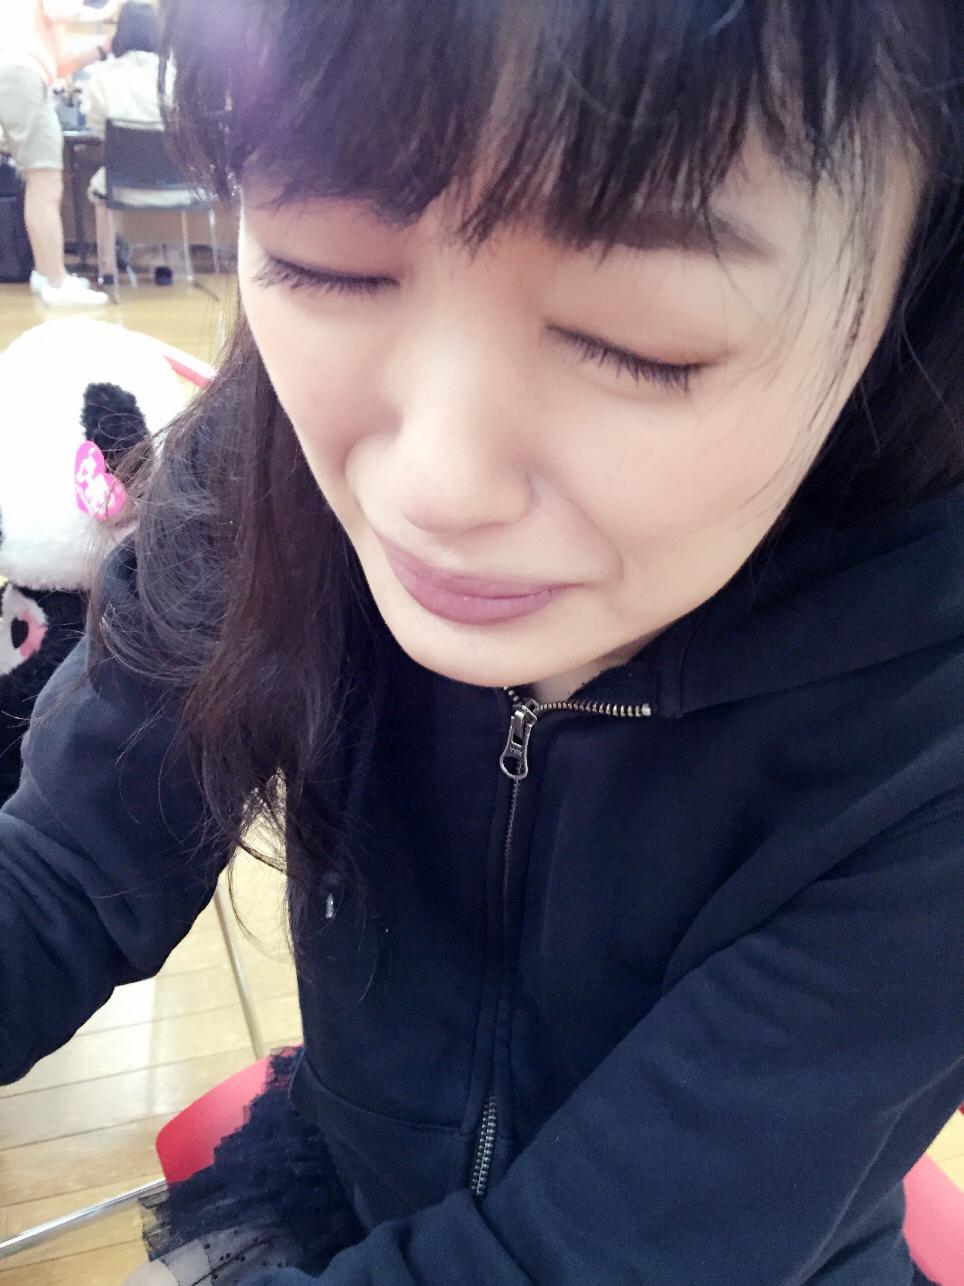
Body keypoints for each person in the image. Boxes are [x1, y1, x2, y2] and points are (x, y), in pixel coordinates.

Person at [1, 1, 962, 1283]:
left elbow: (586, 1257)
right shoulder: (267, 464)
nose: (433, 487)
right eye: (325, 264)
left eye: (638, 341)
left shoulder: (930, 734)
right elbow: (60, 874)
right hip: (352, 1179)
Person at [0, 0, 119, 306]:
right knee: (44, 181)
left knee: (39, 181)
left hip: (17, 73)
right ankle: (55, 282)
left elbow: (60, 64)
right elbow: (60, 8)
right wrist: (108, 12)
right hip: (19, 75)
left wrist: (104, 48)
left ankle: (46, 273)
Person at [83, 1, 188, 283]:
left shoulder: (104, 77)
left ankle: (107, 270)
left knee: (102, 188)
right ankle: (166, 261)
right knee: (154, 180)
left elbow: (97, 126)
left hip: (123, 188)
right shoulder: (174, 77)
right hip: (178, 187)